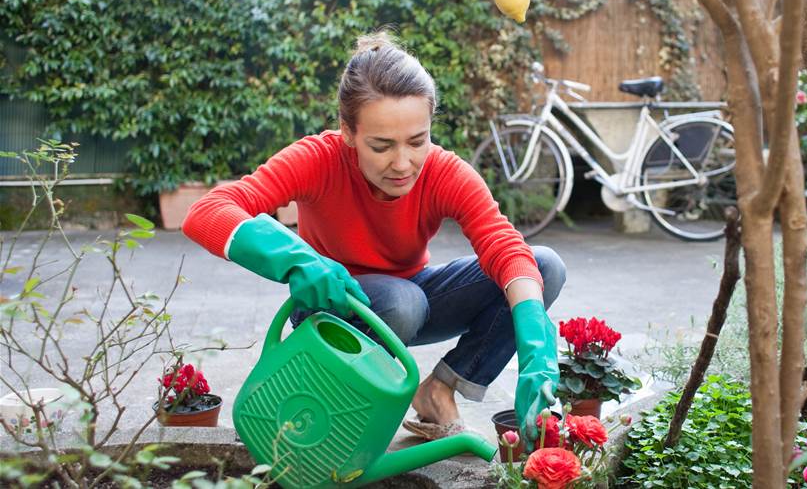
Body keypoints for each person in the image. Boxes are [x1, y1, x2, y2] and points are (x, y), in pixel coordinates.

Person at [182, 31, 564, 444]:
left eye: (417, 141)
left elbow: (504, 246)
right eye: (381, 146)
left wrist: (534, 340)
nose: (403, 163)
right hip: (332, 307)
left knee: (543, 267)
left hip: (410, 301)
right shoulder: (319, 159)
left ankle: (438, 390)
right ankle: (336, 413)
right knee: (402, 302)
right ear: (348, 131)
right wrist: (296, 260)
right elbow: (208, 212)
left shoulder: (443, 172)